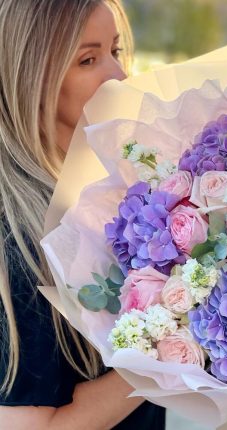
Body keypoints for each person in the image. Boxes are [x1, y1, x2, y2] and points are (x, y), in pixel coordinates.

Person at [0, 1, 166, 428]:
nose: (118, 75)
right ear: (30, 76)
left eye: (115, 51)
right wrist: (169, 344)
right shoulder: (16, 236)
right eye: (88, 60)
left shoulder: (109, 195)